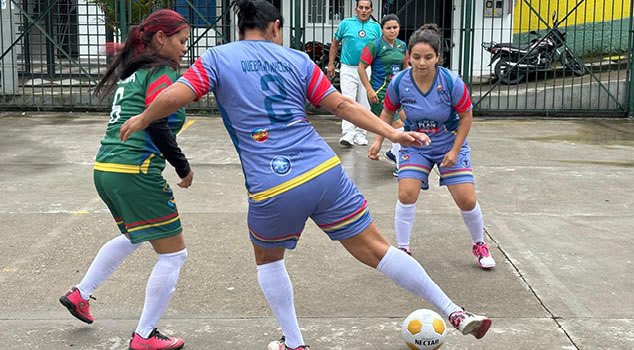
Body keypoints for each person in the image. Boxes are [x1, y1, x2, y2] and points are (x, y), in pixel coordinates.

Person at [120, 2, 492, 349]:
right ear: (275, 27)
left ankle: (294, 341)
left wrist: (143, 117)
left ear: (241, 27)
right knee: (379, 249)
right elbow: (341, 104)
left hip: (273, 183)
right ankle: (454, 310)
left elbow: (177, 94)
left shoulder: (218, 57)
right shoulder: (297, 59)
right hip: (323, 170)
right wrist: (392, 132)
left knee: (268, 259)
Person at [58, 9, 192, 350]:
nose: (184, 49)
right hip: (135, 171)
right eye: (181, 41)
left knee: (134, 235)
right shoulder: (160, 72)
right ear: (161, 39)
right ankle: (145, 336)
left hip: (107, 169)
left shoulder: (132, 75)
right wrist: (182, 167)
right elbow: (158, 122)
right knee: (173, 256)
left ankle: (80, 294)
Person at [368, 24, 496, 269]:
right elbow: (387, 112)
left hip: (448, 142)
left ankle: (479, 244)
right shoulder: (400, 82)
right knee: (406, 193)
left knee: (467, 200)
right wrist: (377, 141)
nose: (422, 62)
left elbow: (466, 116)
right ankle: (403, 249)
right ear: (409, 57)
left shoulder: (451, 81)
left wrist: (455, 151)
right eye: (416, 57)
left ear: (438, 57)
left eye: (428, 57)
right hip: (415, 144)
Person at [357, 13, 408, 176]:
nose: (392, 31)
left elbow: (405, 68)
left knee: (407, 121)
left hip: (397, 93)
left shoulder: (402, 46)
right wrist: (369, 89)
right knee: (397, 125)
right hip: (379, 93)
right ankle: (400, 165)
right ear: (382, 29)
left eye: (395, 27)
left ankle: (394, 152)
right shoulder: (374, 45)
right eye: (388, 28)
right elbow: (361, 68)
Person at [327, 0, 382, 147]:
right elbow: (335, 44)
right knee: (347, 100)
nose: (364, 10)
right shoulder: (345, 23)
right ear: (356, 9)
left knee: (364, 102)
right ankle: (348, 133)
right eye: (361, 8)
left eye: (367, 8)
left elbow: (379, 49)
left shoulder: (376, 27)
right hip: (348, 67)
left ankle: (361, 134)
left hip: (366, 69)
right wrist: (331, 64)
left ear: (371, 10)